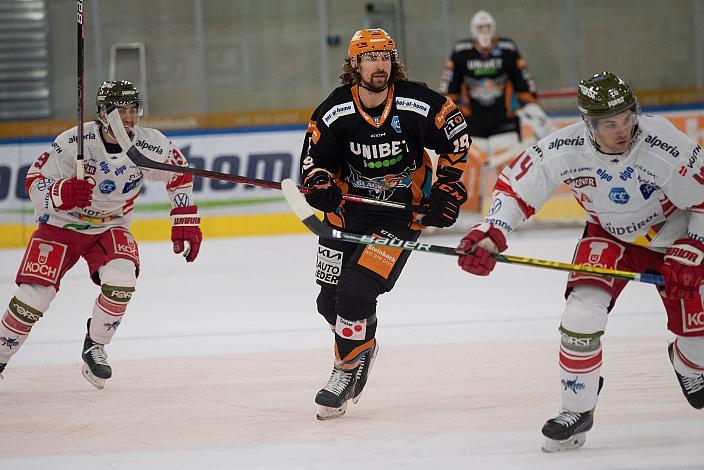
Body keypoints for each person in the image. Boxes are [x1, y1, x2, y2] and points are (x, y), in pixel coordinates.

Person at [455, 71, 704, 452]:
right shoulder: (564, 148)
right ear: (588, 124)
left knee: (696, 340)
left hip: (674, 235)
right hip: (609, 235)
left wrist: (696, 245)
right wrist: (492, 234)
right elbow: (516, 187)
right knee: (581, 313)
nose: (623, 130)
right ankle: (576, 408)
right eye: (610, 123)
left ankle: (687, 363)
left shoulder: (664, 143)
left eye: (627, 118)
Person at [300, 28, 471, 420]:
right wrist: (320, 185)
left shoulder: (417, 101)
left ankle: (343, 372)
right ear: (354, 65)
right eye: (371, 57)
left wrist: (447, 191)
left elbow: (456, 138)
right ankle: (363, 344)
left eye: (386, 56)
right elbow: (313, 162)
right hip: (345, 216)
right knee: (328, 301)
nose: (380, 64)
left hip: (399, 216)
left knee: (355, 293)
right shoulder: (334, 110)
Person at [0, 80, 202, 389]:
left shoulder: (151, 144)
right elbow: (34, 179)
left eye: (134, 109)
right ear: (104, 113)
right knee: (32, 299)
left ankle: (95, 345)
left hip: (111, 225)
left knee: (122, 282)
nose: (131, 118)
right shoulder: (73, 142)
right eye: (122, 110)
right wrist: (61, 192)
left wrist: (184, 218)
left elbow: (180, 173)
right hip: (60, 225)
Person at [439, 10, 553, 211]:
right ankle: (466, 216)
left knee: (510, 174)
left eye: (487, 27)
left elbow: (524, 83)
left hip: (505, 125)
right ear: (473, 30)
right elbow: (449, 89)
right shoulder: (460, 51)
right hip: (471, 126)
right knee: (469, 175)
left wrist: (533, 110)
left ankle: (513, 213)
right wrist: (448, 120)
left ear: (494, 28)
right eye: (480, 27)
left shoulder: (508, 49)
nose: (484, 31)